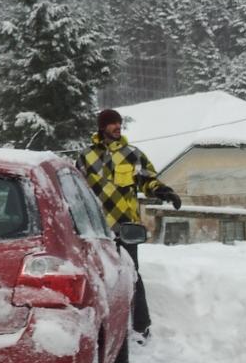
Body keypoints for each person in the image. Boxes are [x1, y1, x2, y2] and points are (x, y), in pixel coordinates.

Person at [76, 108, 181, 340]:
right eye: (113, 124)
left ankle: (140, 328)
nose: (118, 127)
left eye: (119, 124)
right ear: (102, 127)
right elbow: (76, 189)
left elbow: (148, 179)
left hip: (126, 227)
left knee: (132, 275)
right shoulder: (86, 156)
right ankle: (102, 329)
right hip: (96, 230)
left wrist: (164, 191)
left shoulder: (132, 154)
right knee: (98, 278)